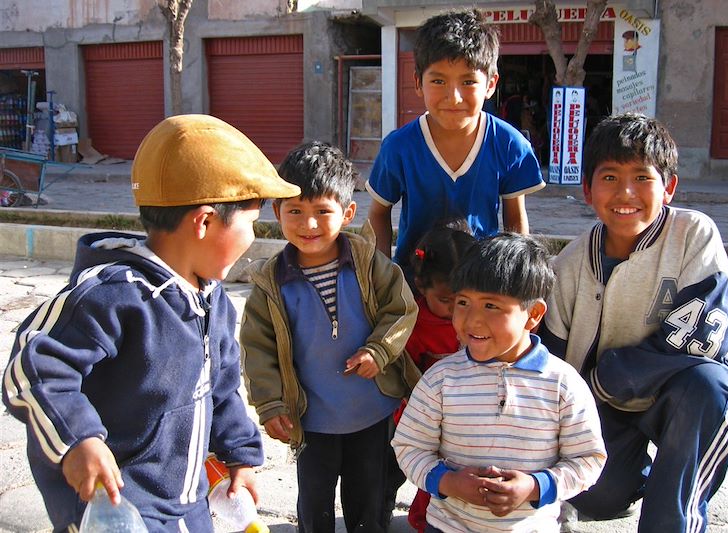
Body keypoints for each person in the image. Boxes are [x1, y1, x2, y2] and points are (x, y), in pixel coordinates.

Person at [1, 114, 300, 532]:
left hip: (188, 503)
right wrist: (78, 439)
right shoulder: (111, 296)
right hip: (116, 510)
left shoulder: (212, 299)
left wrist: (239, 455)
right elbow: (31, 369)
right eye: (251, 223)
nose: (253, 237)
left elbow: (222, 386)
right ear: (205, 221)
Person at [540, 113, 728, 532]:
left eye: (642, 178)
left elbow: (703, 338)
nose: (625, 192)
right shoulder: (570, 266)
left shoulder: (693, 235)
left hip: (677, 395)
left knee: (708, 384)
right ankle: (642, 476)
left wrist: (614, 375)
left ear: (668, 187)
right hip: (602, 409)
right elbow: (551, 367)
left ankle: (674, 514)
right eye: (609, 177)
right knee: (597, 495)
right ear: (587, 190)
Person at [239, 141, 420, 533]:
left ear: (348, 212)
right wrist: (270, 404)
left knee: (368, 500)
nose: (309, 225)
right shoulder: (270, 283)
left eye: (323, 211)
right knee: (314, 501)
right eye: (296, 212)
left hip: (372, 412)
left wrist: (380, 350)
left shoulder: (370, 263)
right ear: (277, 212)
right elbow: (257, 349)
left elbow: (401, 309)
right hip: (312, 417)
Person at [392, 233, 606, 532]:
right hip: (447, 526)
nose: (472, 320)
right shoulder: (441, 378)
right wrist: (448, 482)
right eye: (463, 302)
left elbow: (588, 459)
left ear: (533, 314)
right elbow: (409, 447)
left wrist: (534, 486)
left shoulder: (562, 384)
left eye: (491, 306)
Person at [367, 9, 544, 276]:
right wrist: (381, 276)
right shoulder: (399, 148)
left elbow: (515, 219)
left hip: (481, 285)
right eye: (438, 80)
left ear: (491, 84)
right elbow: (379, 213)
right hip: (414, 288)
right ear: (418, 82)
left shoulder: (510, 145)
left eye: (468, 81)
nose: (454, 97)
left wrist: (516, 278)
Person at [385, 220, 477, 532]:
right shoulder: (415, 323)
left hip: (473, 411)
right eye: (446, 301)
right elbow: (405, 372)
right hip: (427, 410)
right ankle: (421, 519)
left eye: (463, 300)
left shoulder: (483, 319)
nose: (456, 311)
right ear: (422, 287)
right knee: (430, 468)